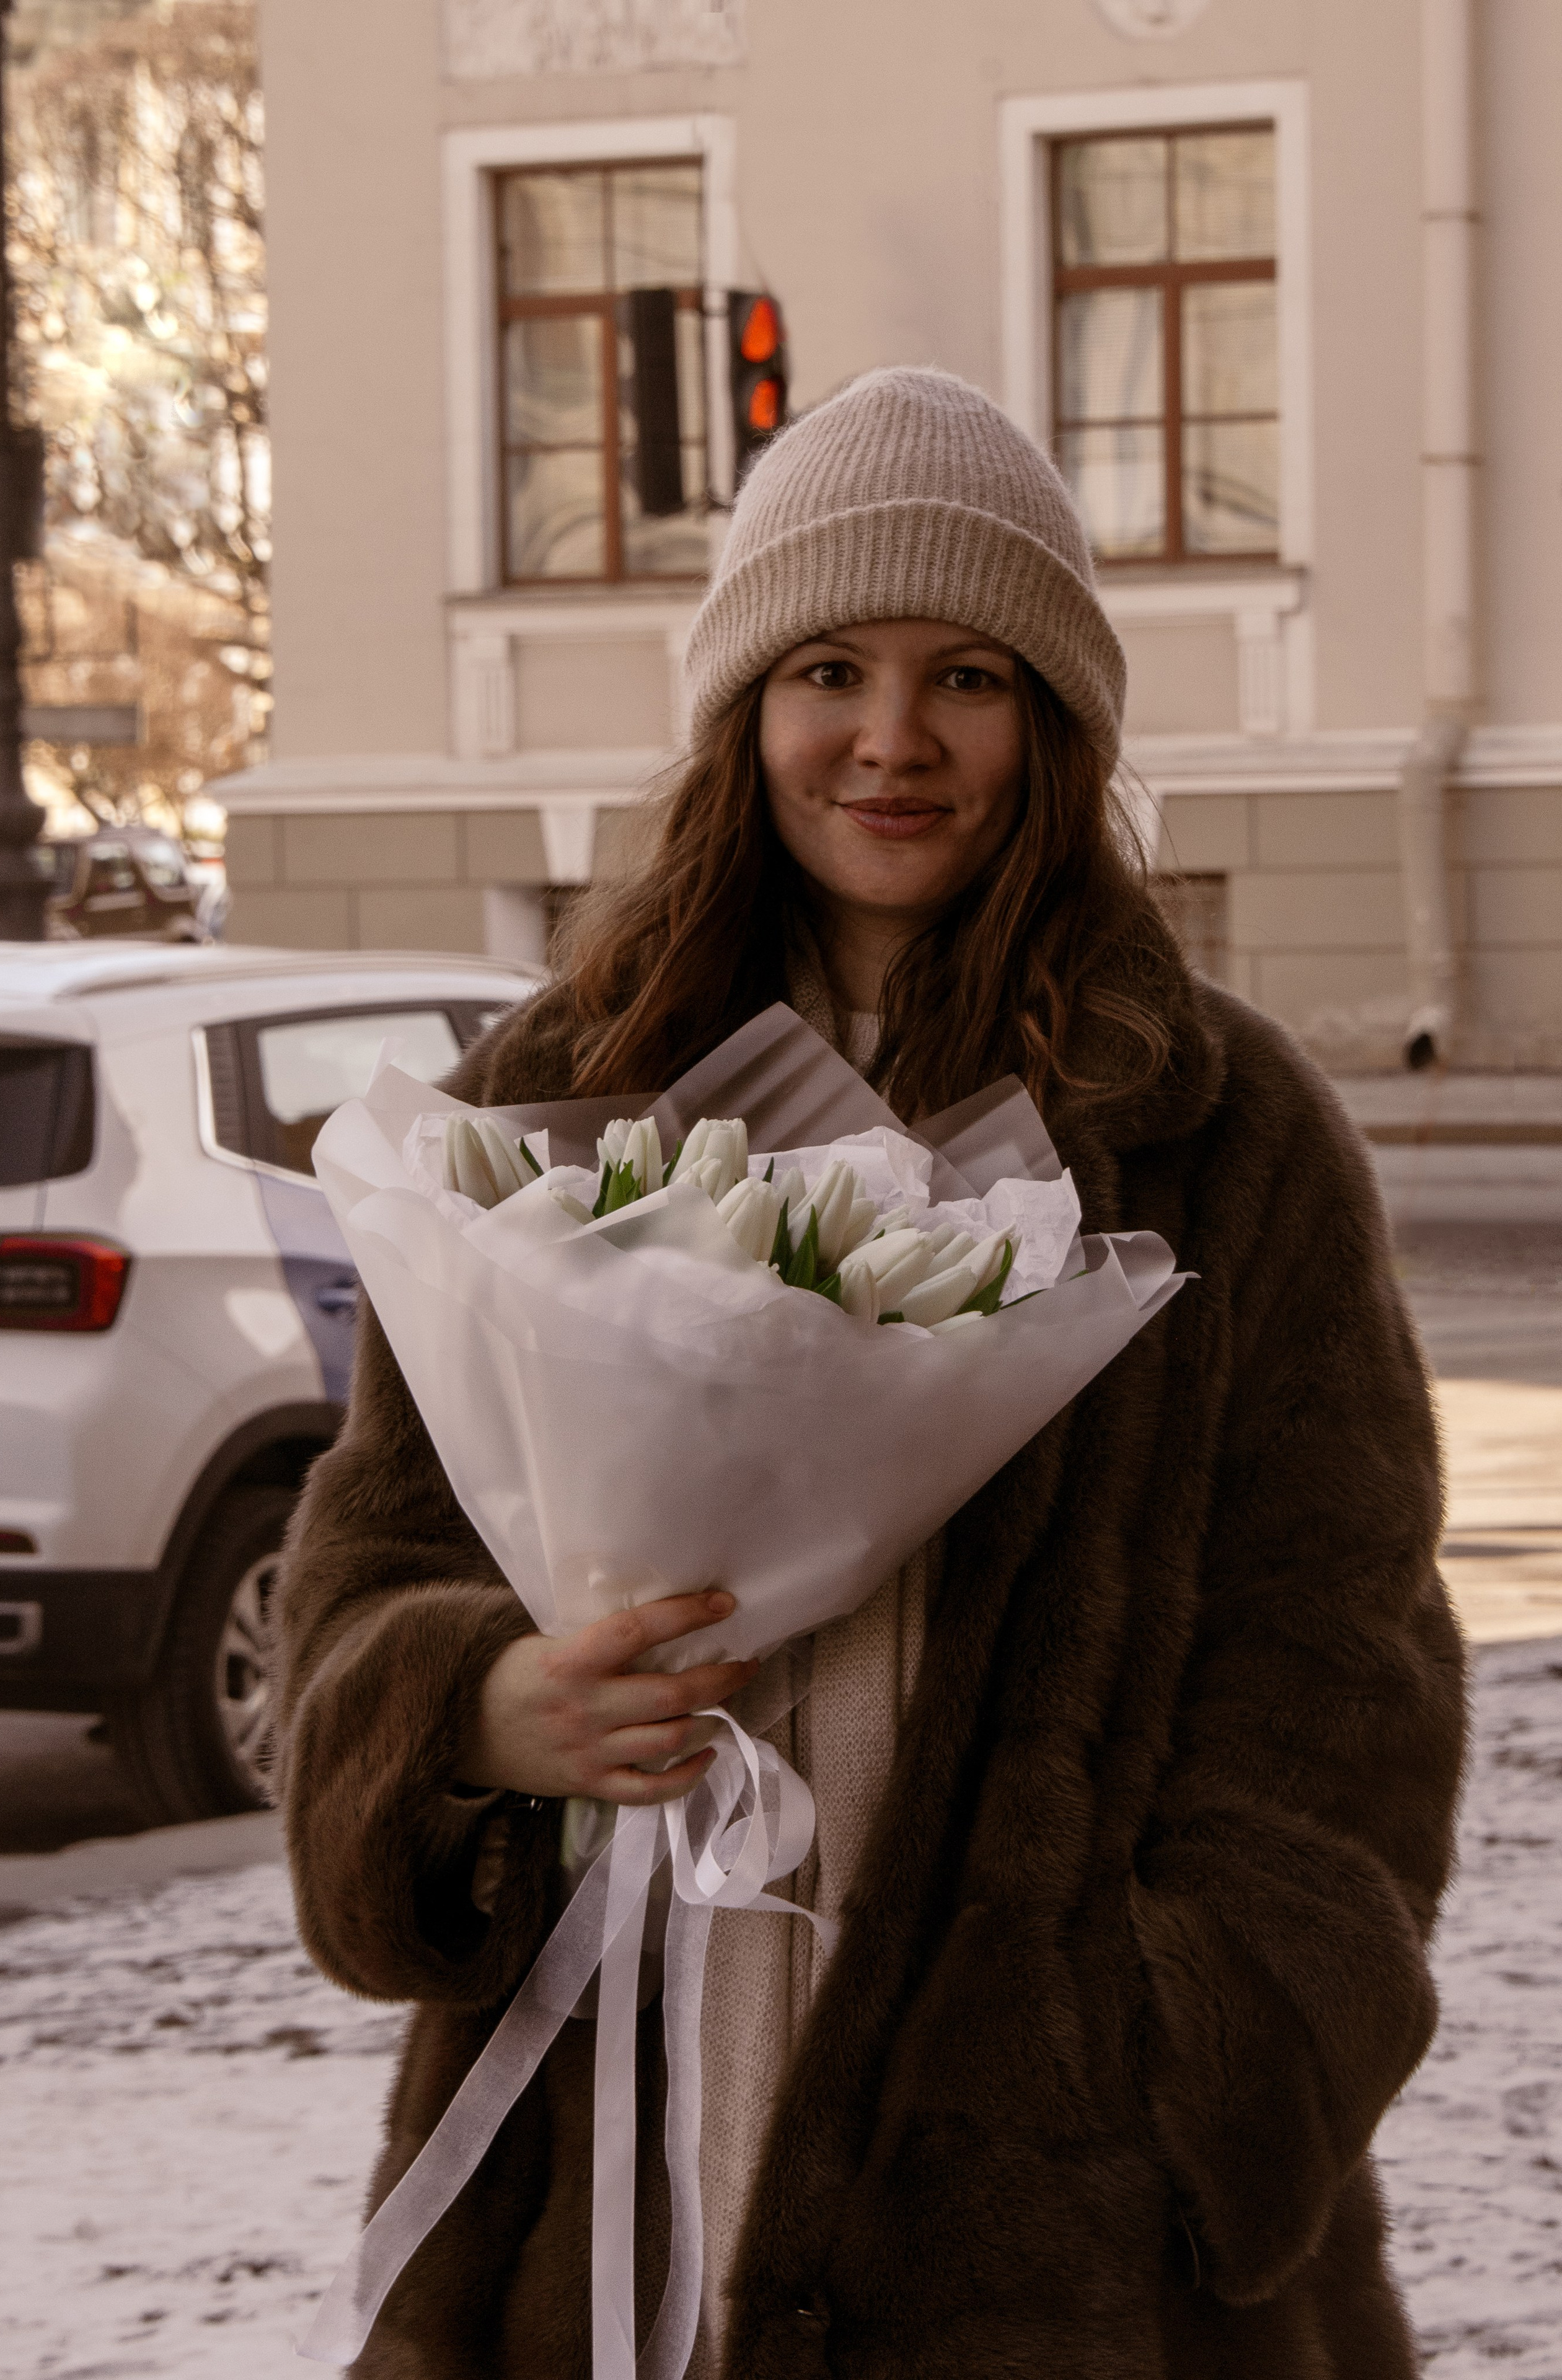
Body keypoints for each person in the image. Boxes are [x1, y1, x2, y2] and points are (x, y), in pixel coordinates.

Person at [278, 367, 1465, 2378]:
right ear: (745, 706)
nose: (893, 739)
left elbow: (1337, 1668)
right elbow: (360, 1575)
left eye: (971, 674)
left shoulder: (1220, 1131)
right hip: (613, 2142)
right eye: (828, 664)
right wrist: (472, 1710)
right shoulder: (554, 1098)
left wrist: (1166, 2063)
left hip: (1067, 2226)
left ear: (1057, 719)